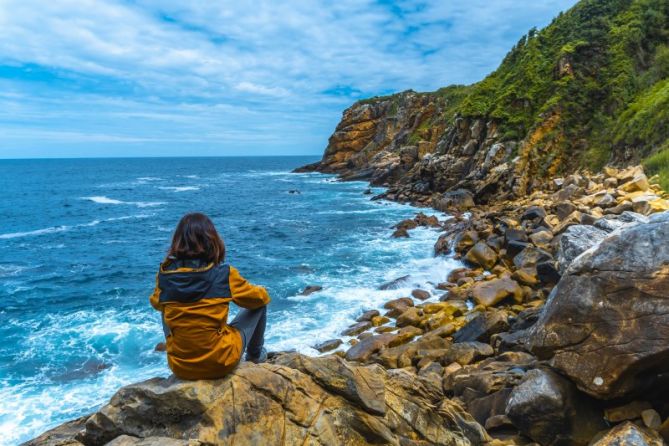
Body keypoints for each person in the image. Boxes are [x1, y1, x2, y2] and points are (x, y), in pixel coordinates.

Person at [149, 212, 270, 380]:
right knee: (259, 306)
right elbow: (260, 299)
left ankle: (184, 352)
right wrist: (259, 290)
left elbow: (155, 303)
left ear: (177, 241)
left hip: (180, 367)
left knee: (165, 306)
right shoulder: (224, 274)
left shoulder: (164, 276)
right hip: (220, 363)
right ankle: (255, 355)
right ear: (212, 240)